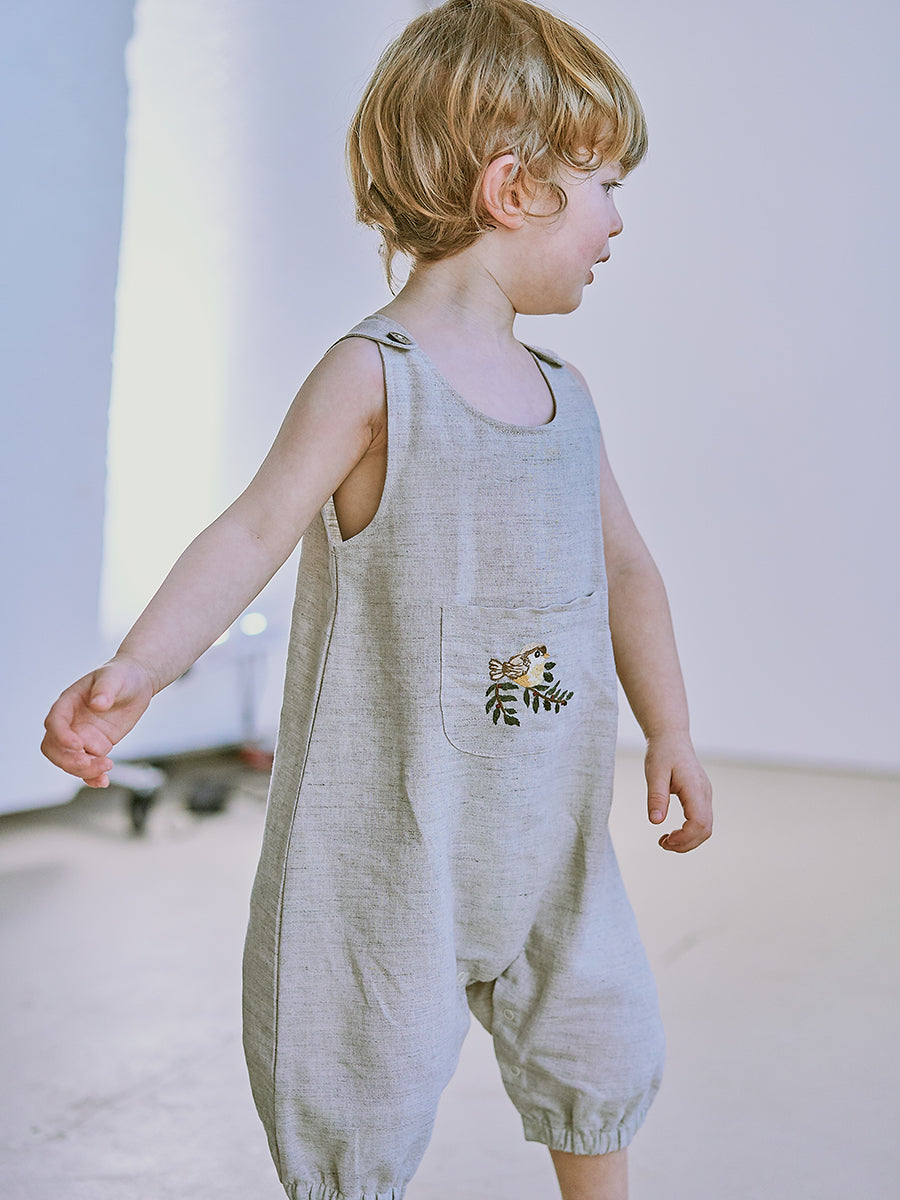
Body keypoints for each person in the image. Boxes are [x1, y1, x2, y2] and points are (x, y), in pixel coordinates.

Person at [41, 1, 713, 1197]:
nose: (619, 220)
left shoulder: (568, 395)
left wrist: (672, 729)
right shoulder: (375, 377)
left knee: (598, 1036)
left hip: (551, 836)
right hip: (391, 840)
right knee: (357, 1072)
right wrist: (140, 669)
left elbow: (628, 571)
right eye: (604, 185)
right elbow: (253, 529)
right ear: (513, 189)